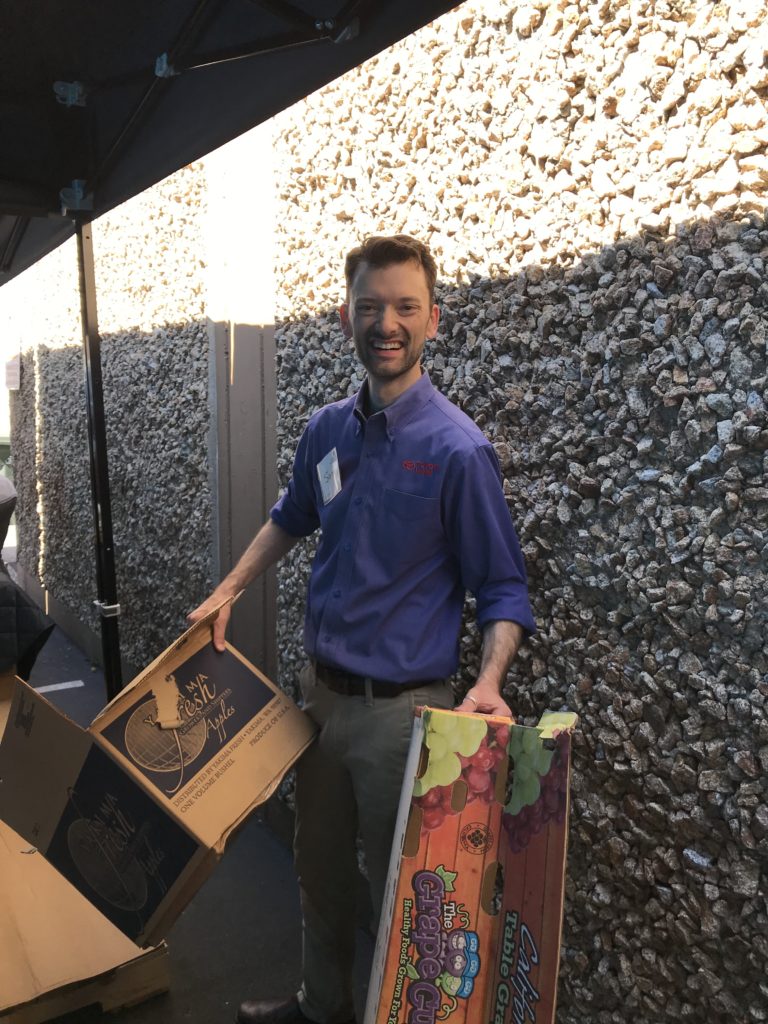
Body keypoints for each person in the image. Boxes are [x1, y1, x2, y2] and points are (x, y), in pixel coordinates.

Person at [188, 235, 535, 1024]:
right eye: (372, 307)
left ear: (433, 321)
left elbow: (505, 588)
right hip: (320, 704)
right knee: (318, 873)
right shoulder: (327, 431)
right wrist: (231, 589)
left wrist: (487, 683)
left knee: (399, 891)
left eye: (406, 308)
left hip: (405, 716)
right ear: (347, 316)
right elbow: (290, 518)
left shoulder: (458, 450)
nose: (388, 324)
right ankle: (320, 1007)